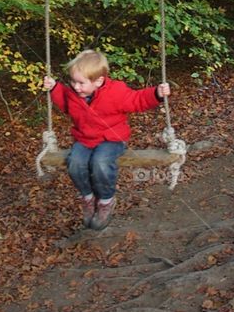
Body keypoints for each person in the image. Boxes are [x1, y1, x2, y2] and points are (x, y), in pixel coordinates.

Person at [42, 48, 170, 231]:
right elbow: (64, 101)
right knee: (75, 163)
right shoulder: (73, 94)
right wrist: (54, 87)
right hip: (85, 139)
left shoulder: (115, 91)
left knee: (100, 162)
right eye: (72, 81)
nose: (75, 87)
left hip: (112, 139)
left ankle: (106, 201)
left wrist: (156, 93)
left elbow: (137, 100)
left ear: (99, 81)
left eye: (81, 83)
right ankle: (88, 198)